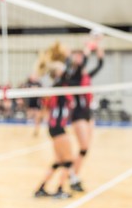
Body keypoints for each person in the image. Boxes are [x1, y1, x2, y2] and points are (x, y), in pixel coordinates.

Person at [68, 35, 104, 192]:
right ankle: (71, 176)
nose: (80, 60)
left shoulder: (86, 77)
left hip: (88, 113)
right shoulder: (72, 78)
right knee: (83, 147)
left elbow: (100, 64)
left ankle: (73, 175)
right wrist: (89, 46)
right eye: (77, 58)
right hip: (77, 115)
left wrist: (98, 44)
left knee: (85, 149)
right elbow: (85, 61)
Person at [34, 60, 74, 199]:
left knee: (58, 160)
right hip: (57, 127)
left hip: (55, 127)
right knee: (69, 160)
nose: (63, 68)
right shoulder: (58, 85)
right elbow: (67, 72)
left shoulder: (58, 86)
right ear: (57, 73)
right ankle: (60, 190)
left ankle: (40, 189)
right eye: (60, 68)